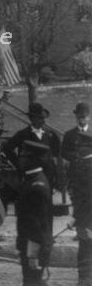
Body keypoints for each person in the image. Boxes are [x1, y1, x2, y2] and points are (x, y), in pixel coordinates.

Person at [62, 103, 92, 285]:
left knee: (86, 240)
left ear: (88, 117)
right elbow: (64, 156)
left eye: (84, 116)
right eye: (79, 117)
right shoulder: (69, 135)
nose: (81, 119)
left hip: (85, 189)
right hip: (77, 182)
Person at [16, 140, 54, 285]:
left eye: (24, 156)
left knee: (33, 281)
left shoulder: (36, 186)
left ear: (33, 160)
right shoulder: (32, 180)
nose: (20, 159)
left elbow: (38, 225)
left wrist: (33, 255)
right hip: (29, 243)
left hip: (34, 246)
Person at [2, 103, 61, 189]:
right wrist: (18, 164)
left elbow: (57, 152)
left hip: (48, 175)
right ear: (33, 119)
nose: (44, 121)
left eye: (43, 118)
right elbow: (7, 148)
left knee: (47, 200)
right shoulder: (22, 134)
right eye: (40, 118)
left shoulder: (51, 135)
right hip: (30, 175)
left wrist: (55, 172)